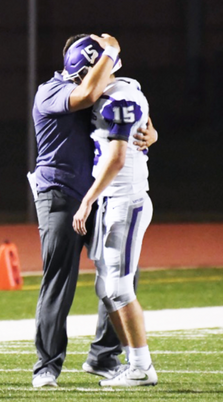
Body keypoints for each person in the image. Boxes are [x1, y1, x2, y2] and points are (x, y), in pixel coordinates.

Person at [27, 33, 157, 388]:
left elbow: (126, 115)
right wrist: (112, 52)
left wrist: (151, 133)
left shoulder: (108, 90)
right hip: (61, 195)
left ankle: (103, 356)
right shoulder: (51, 91)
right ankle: (47, 367)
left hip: (99, 197)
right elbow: (86, 95)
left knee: (116, 279)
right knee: (59, 280)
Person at [72, 43, 158, 386]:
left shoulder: (120, 97)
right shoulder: (118, 91)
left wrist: (87, 200)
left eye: (84, 73)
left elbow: (119, 155)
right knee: (106, 288)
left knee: (120, 287)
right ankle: (133, 361)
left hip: (125, 198)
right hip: (113, 198)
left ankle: (141, 366)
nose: (83, 82)